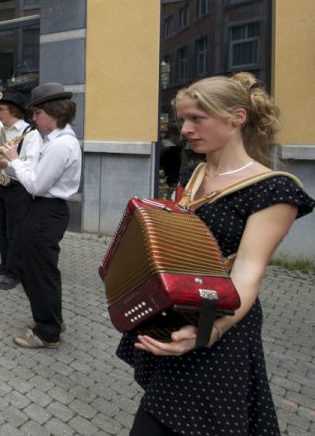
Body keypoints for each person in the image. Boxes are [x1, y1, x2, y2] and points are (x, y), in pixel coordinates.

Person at [115, 73, 314, 435]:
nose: (186, 129)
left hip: (222, 328)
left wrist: (209, 332)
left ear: (237, 117)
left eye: (197, 119)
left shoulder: (273, 190)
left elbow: (248, 275)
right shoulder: (195, 172)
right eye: (183, 120)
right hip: (176, 315)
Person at [0, 82, 81, 349]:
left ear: (53, 112)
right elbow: (31, 173)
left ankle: (48, 332)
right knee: (30, 267)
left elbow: (35, 184)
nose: (33, 119)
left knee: (40, 272)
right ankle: (49, 318)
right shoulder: (53, 140)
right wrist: (8, 165)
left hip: (46, 210)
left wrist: (13, 160)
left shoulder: (60, 145)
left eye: (37, 113)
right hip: (40, 209)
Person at [0, 91, 41, 290]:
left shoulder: (30, 134)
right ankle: (5, 263)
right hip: (2, 185)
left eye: (0, 109)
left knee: (15, 233)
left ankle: (15, 272)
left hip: (19, 188)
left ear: (14, 111)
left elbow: (29, 165)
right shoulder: (1, 131)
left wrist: (5, 162)